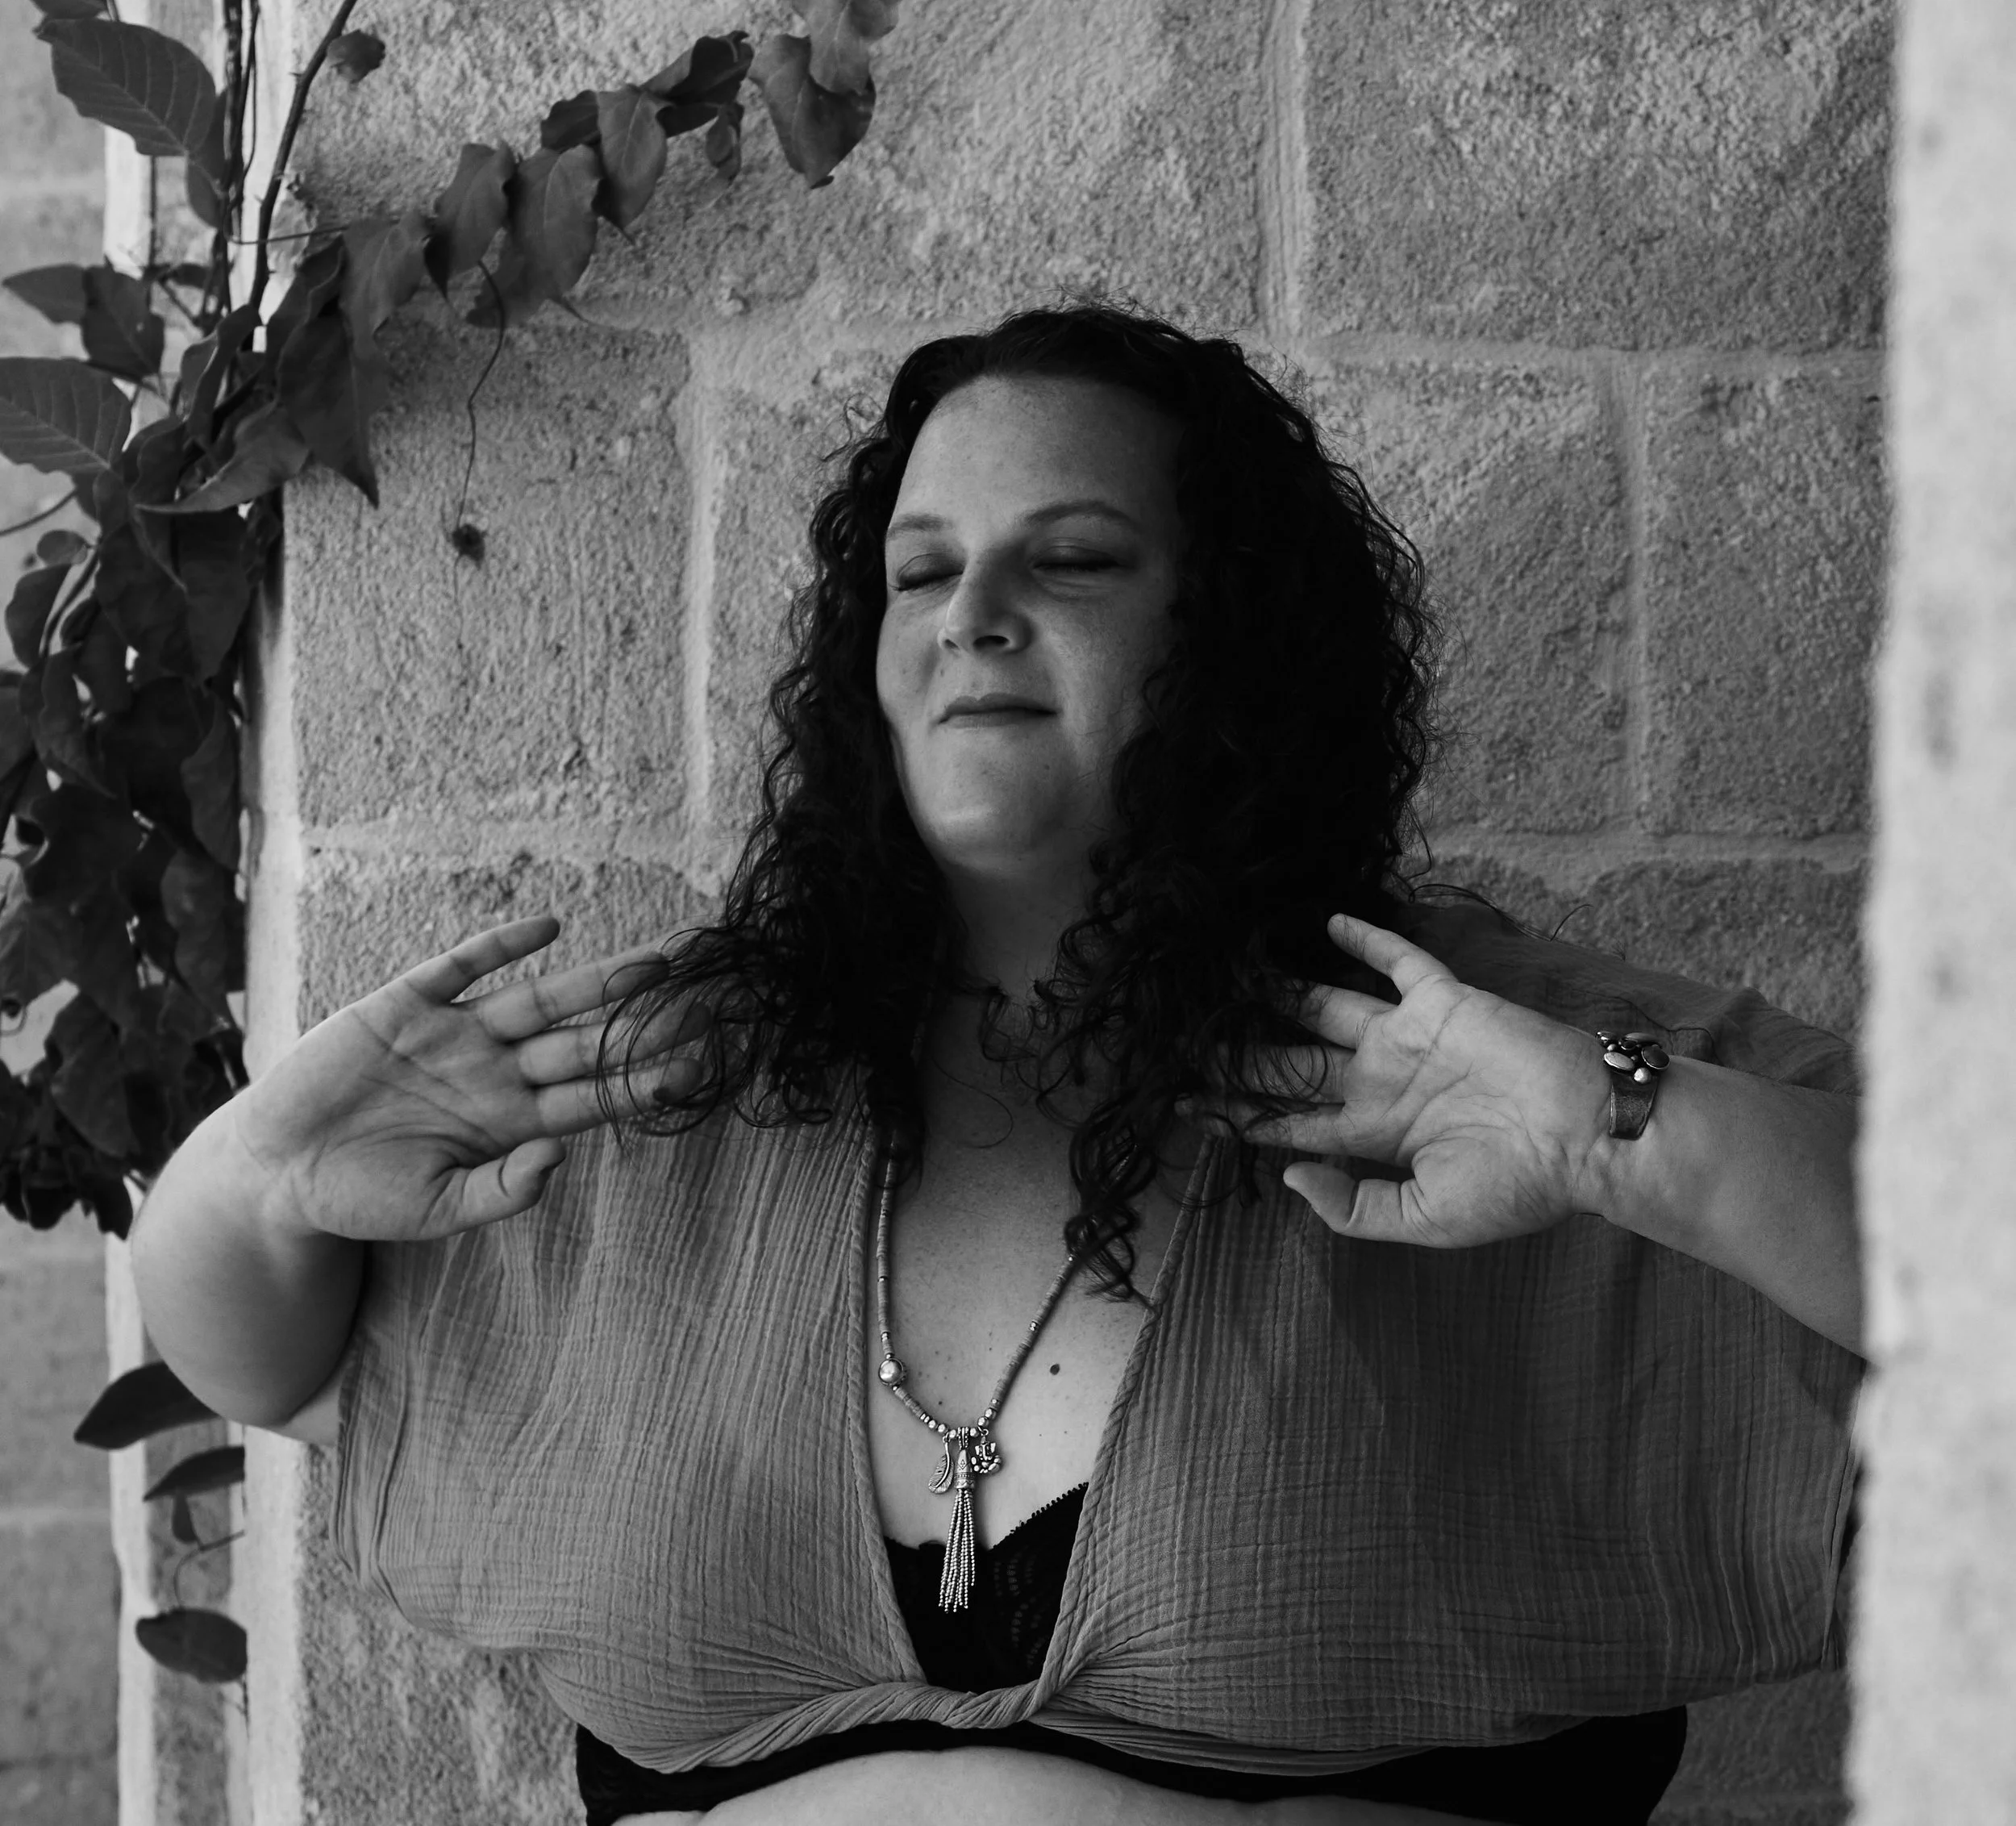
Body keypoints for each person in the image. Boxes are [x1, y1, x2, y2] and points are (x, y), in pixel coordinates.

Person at [130, 303, 1863, 1826]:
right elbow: (280, 1355)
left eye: (1074, 559)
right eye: (920, 566)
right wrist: (257, 1176)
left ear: (1232, 635)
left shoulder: (1464, 1052)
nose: (971, 611)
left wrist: (1614, 1124)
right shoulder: (668, 1080)